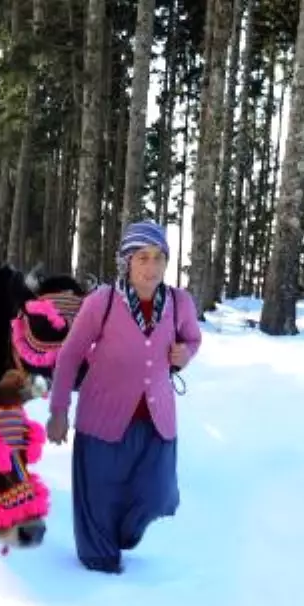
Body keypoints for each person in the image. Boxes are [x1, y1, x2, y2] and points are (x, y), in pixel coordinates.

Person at [45, 219, 202, 574]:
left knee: (159, 495)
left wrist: (185, 354)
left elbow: (192, 339)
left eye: (158, 258)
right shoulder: (103, 302)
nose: (151, 267)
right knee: (99, 500)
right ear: (127, 261)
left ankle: (123, 536)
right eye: (142, 258)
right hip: (102, 419)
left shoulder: (179, 303)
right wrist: (58, 411)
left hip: (157, 422)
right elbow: (70, 354)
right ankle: (100, 572)